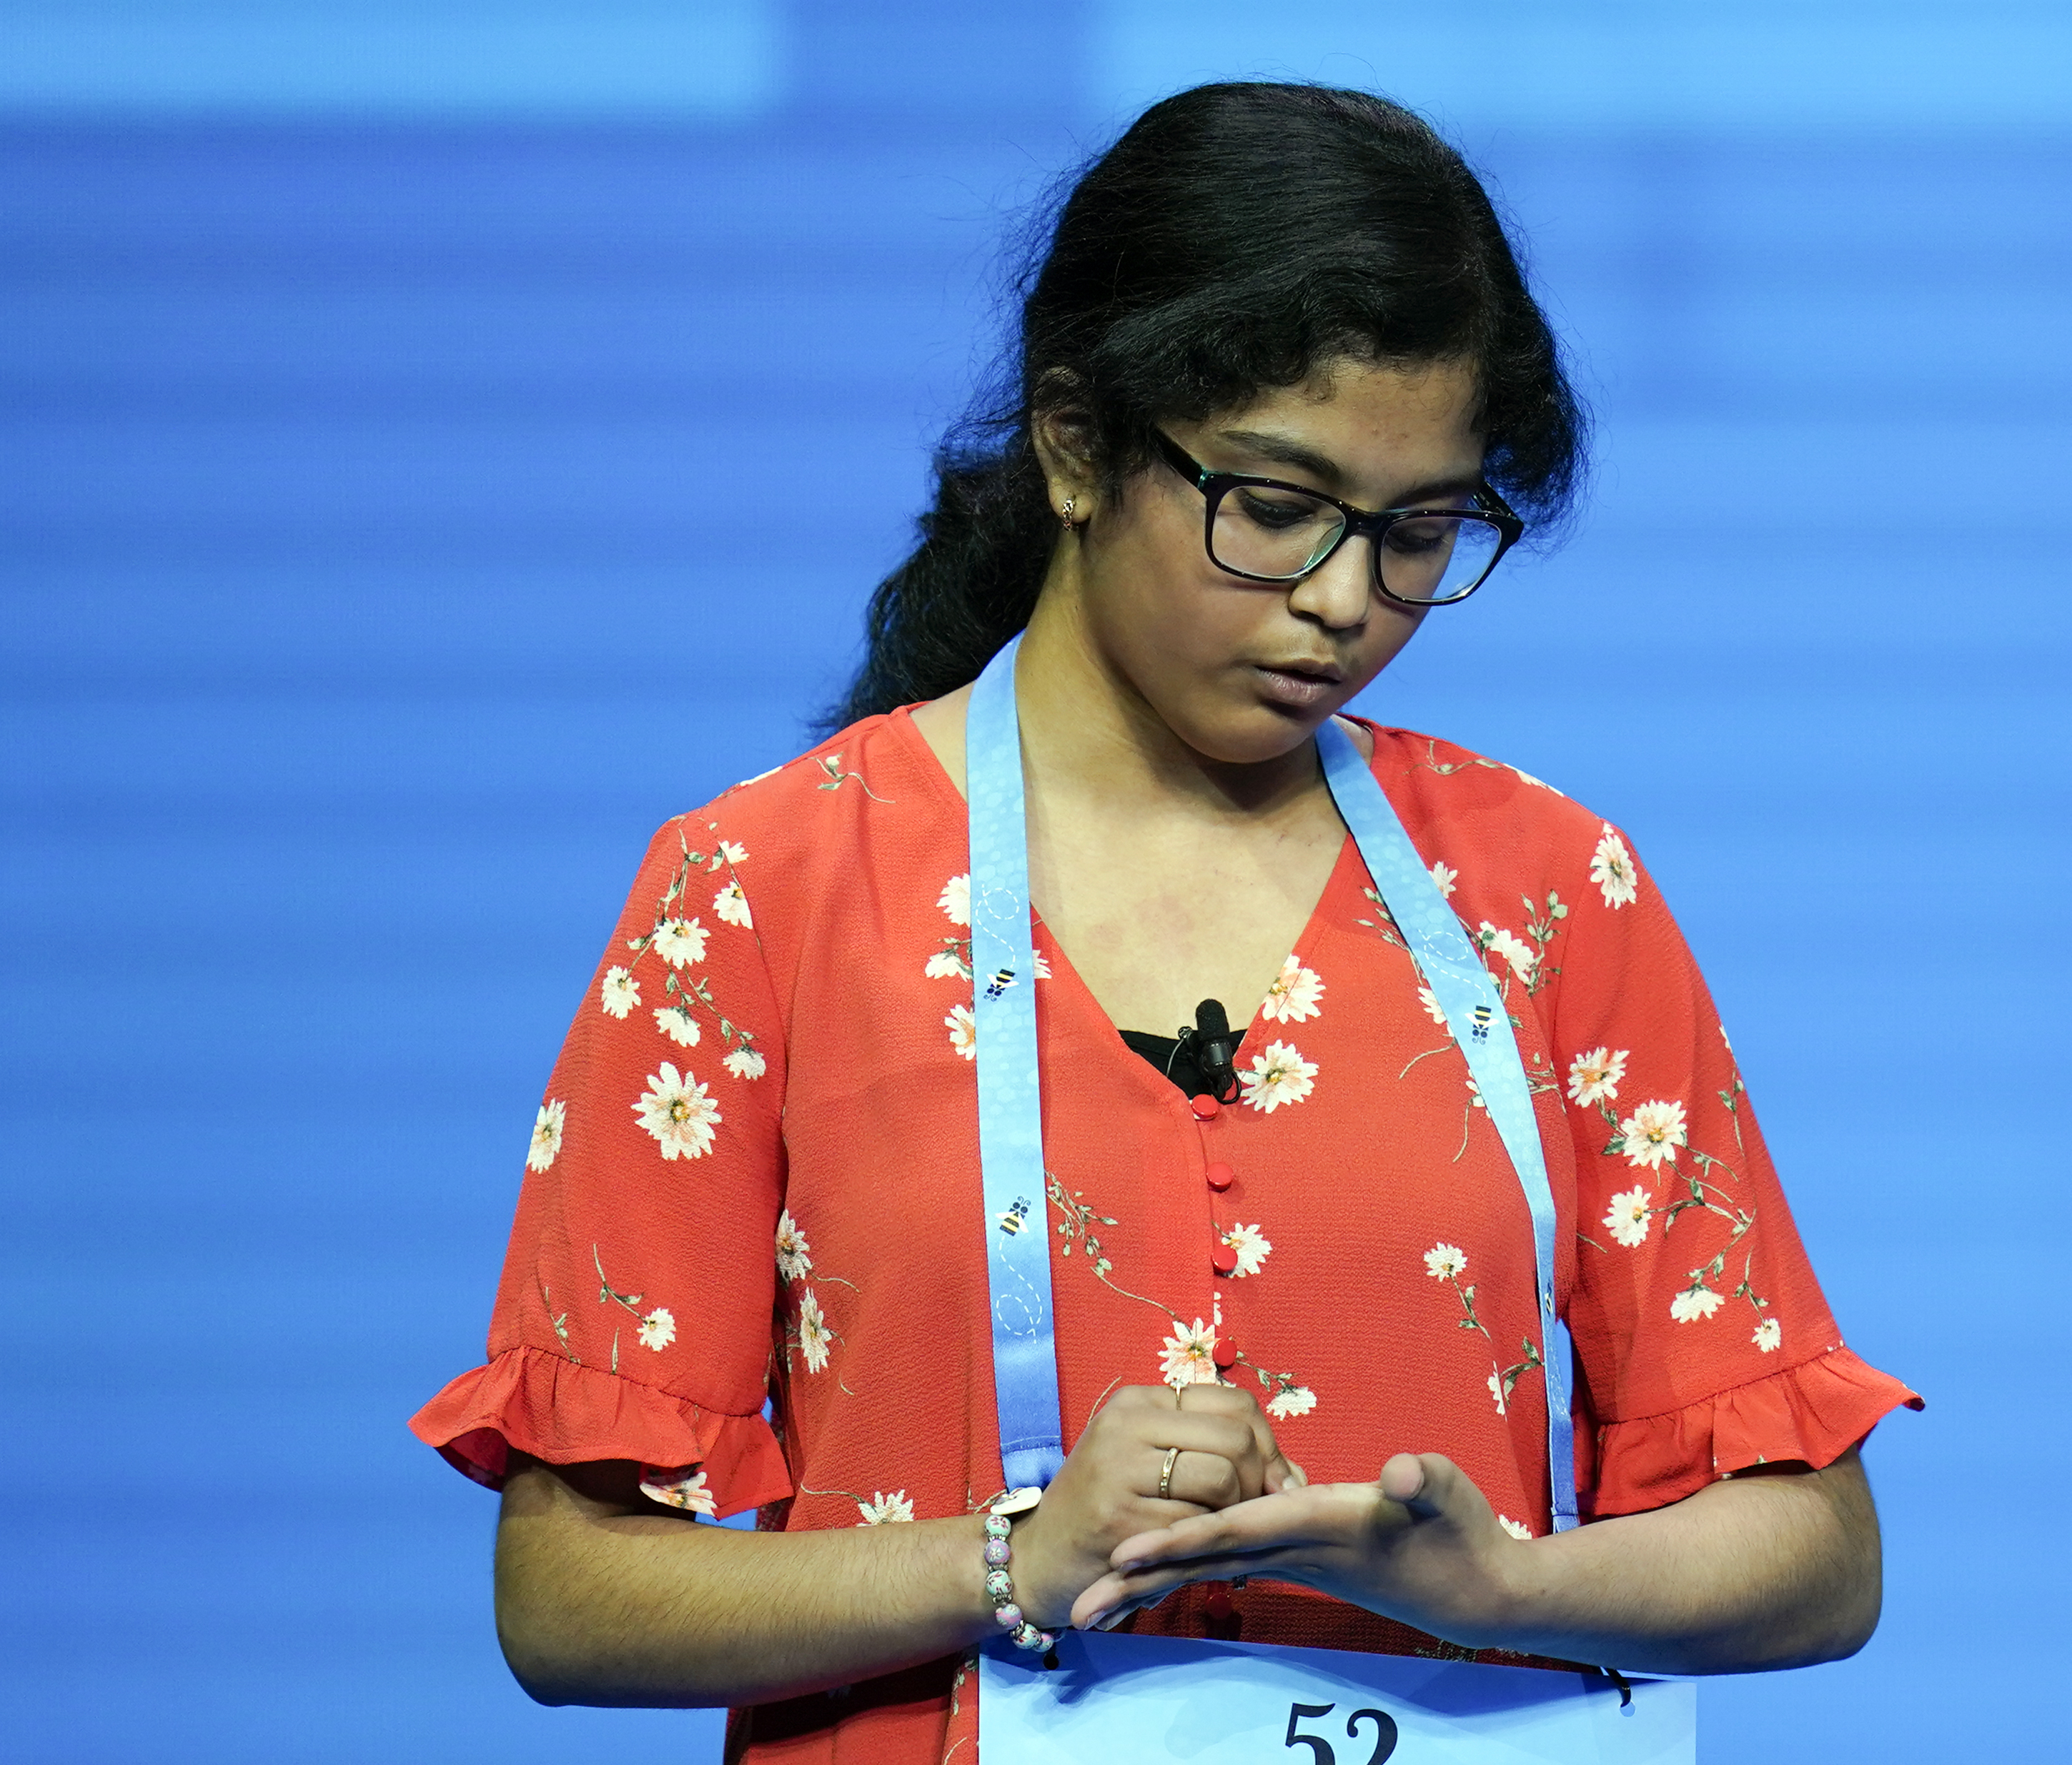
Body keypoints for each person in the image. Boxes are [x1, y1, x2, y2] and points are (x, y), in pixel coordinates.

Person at [410, 81, 1918, 1762]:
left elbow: (1819, 1554)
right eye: (1273, 506)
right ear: (1074, 442)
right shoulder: (760, 894)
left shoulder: (1550, 889)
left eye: (1419, 531)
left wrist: (1499, 1580)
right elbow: (564, 1592)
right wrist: (1004, 1559)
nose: (1345, 600)